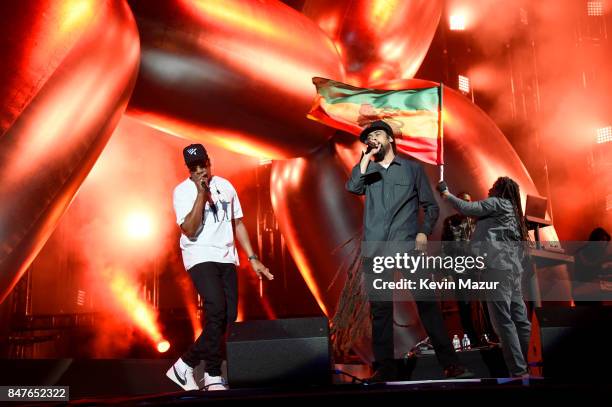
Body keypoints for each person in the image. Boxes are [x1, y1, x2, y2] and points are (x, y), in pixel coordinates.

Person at [346, 120, 471, 381]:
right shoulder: (367, 171)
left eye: (377, 134)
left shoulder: (412, 169)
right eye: (368, 137)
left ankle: (450, 363)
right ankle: (385, 368)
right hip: (376, 249)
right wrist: (365, 159)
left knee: (427, 303)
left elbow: (431, 206)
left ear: (390, 138)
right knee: (380, 310)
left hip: (407, 246)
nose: (372, 139)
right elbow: (352, 187)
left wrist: (424, 231)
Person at [167, 143, 274, 391]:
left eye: (203, 164)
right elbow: (190, 229)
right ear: (188, 169)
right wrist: (200, 194)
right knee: (215, 309)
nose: (200, 170)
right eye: (194, 167)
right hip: (200, 255)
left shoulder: (226, 186)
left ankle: (184, 365)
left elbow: (238, 224)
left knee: (227, 317)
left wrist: (253, 257)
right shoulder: (182, 192)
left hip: (227, 257)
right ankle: (213, 373)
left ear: (209, 161)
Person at [437, 177, 531, 377]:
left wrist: (446, 194)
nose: (489, 189)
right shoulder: (513, 210)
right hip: (512, 271)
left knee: (502, 322)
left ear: (499, 190)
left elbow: (468, 208)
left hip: (497, 269)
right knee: (520, 320)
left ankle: (518, 371)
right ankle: (530, 364)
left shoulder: (498, 203)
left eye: (493, 187)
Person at [441, 192, 495, 346]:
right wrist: (447, 273)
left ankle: (491, 336)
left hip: (477, 270)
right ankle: (473, 339)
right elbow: (445, 250)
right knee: (464, 305)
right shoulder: (450, 222)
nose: (466, 204)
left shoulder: (478, 222)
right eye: (463, 201)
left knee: (484, 303)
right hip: (459, 271)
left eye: (469, 201)